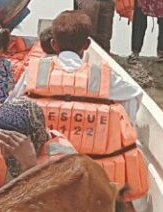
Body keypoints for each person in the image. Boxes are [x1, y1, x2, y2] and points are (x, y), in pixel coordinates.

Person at [12, 10, 148, 201]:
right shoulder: (102, 77)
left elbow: (11, 109)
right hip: (92, 182)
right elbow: (134, 94)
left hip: (42, 178)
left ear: (53, 44)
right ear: (87, 45)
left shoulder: (35, 73)